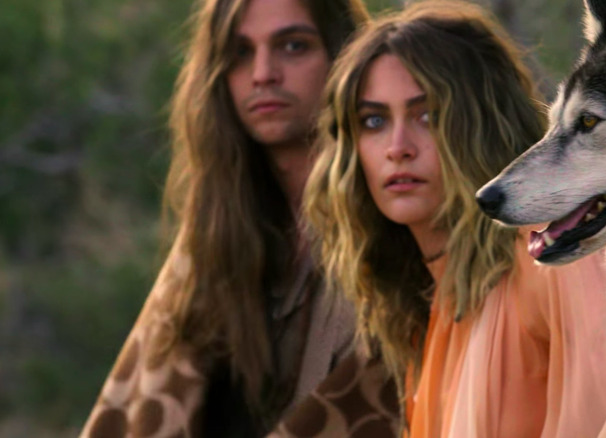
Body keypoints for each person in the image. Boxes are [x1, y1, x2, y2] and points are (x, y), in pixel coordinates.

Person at [304, 1, 606, 437]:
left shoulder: (542, 253)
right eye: (374, 120)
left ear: (481, 123)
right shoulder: (432, 302)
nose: (397, 146)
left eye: (428, 115)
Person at [79, 0, 399, 437]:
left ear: (345, 53)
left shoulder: (395, 231)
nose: (263, 73)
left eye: (293, 46)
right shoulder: (215, 236)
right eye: (240, 53)